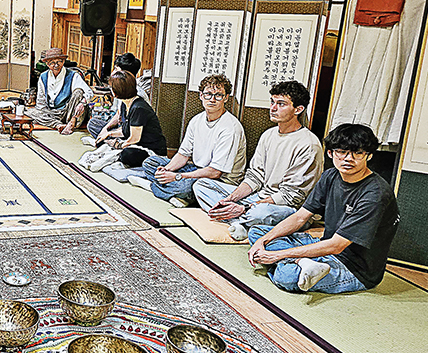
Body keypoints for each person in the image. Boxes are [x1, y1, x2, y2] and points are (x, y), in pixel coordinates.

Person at [247, 123, 399, 294]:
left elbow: (337, 245)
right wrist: (263, 241)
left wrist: (278, 255)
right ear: (330, 153)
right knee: (258, 233)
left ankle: (291, 264)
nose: (348, 158)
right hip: (325, 245)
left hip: (354, 268)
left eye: (357, 153)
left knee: (287, 277)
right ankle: (303, 263)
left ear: (369, 156)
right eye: (342, 152)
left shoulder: (375, 194)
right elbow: (300, 217)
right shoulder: (331, 176)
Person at [192, 80, 323, 240]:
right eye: (272, 102)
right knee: (201, 185)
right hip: (259, 197)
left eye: (281, 104)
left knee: (260, 213)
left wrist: (245, 207)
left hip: (288, 208)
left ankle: (240, 219)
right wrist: (231, 199)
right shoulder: (268, 135)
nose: (273, 108)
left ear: (298, 109)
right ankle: (237, 221)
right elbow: (255, 177)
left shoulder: (309, 144)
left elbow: (292, 197)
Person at [129, 74, 246, 207]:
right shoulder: (196, 120)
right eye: (208, 94)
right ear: (201, 96)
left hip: (219, 181)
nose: (212, 99)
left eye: (218, 95)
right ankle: (174, 193)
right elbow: (183, 155)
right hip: (197, 169)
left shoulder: (230, 128)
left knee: (191, 186)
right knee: (150, 163)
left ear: (226, 98)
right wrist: (166, 170)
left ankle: (152, 186)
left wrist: (177, 177)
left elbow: (215, 172)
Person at [95, 70, 167, 169]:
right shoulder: (125, 104)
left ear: (116, 92)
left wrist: (118, 145)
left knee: (127, 154)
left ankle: (119, 156)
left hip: (150, 150)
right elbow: (125, 130)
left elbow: (134, 138)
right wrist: (109, 134)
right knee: (101, 141)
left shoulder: (139, 108)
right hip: (134, 144)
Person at [28, 48, 92, 134]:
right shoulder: (43, 77)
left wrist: (82, 103)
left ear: (63, 61)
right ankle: (58, 125)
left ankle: (71, 123)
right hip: (52, 112)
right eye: (52, 63)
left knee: (78, 92)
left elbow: (89, 92)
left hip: (68, 112)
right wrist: (41, 113)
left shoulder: (73, 75)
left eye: (59, 62)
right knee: (30, 112)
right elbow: (41, 102)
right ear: (47, 64)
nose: (56, 65)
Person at [86, 53, 148, 141]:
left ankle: (110, 142)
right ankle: (109, 141)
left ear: (124, 74)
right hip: (122, 127)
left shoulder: (137, 94)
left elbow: (132, 129)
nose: (113, 72)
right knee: (93, 123)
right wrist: (105, 129)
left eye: (116, 69)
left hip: (134, 131)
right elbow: (119, 113)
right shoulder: (122, 87)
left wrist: (112, 133)